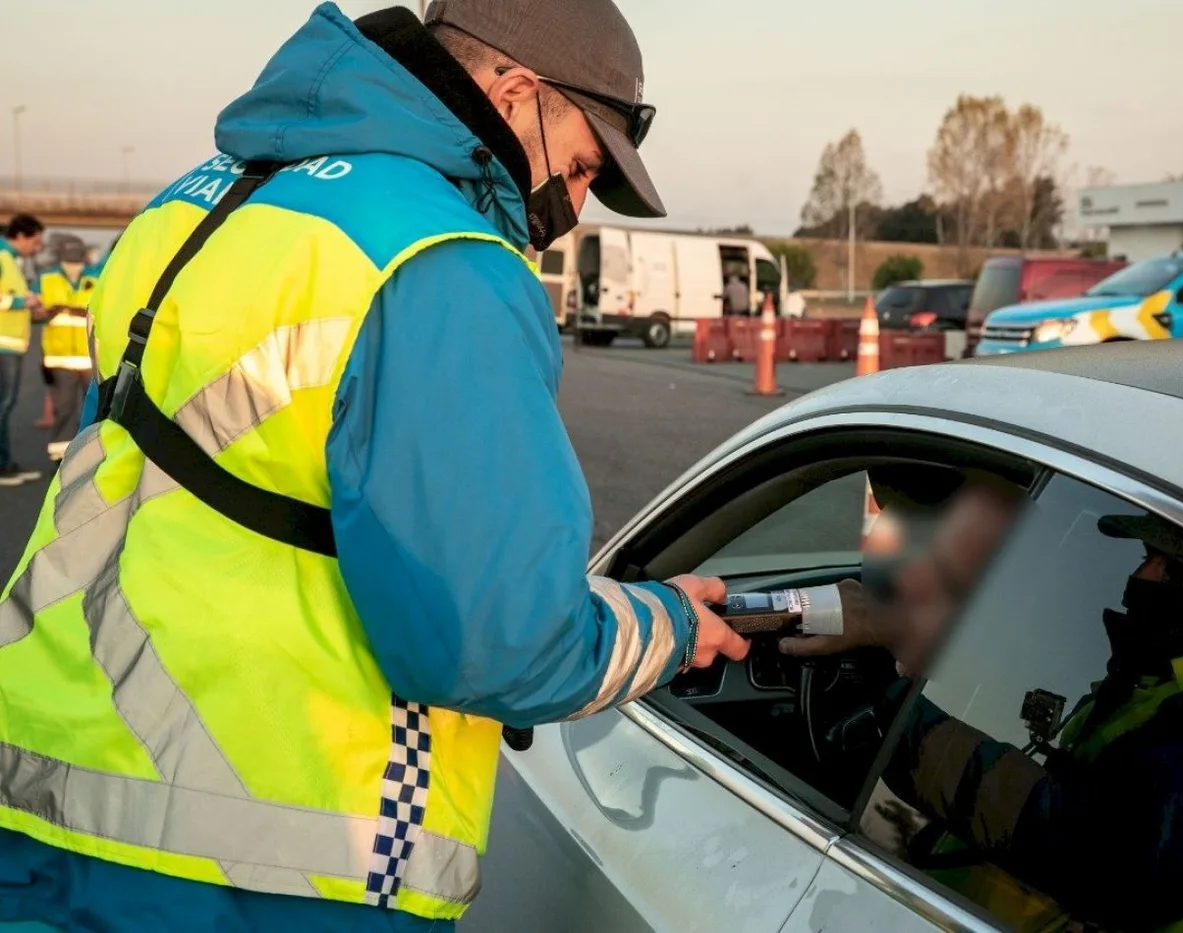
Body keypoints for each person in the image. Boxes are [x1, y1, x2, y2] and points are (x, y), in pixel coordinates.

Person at [0, 3, 747, 931]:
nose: (577, 200)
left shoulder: (189, 205)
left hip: (43, 794)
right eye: (585, 163)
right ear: (518, 96)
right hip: (268, 860)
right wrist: (668, 623)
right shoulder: (440, 261)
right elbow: (500, 642)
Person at [783, 490, 1183, 932]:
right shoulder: (1163, 690)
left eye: (1177, 574)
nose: (1143, 579)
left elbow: (1092, 852)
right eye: (1148, 559)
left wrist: (895, 716)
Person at [36, 238, 98, 464]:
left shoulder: (96, 280)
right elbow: (37, 312)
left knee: (95, 410)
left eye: (77, 261)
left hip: (89, 359)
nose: (74, 265)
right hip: (59, 359)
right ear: (61, 260)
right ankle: (59, 459)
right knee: (64, 412)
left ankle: (90, 457)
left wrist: (65, 309)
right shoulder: (47, 280)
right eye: (70, 261)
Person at [0, 213, 45, 487]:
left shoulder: (11, 261)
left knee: (5, 407)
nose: (37, 249)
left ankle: (6, 463)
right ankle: (3, 467)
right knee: (3, 407)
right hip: (3, 345)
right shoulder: (2, 259)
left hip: (10, 345)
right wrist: (22, 302)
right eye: (36, 242)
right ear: (20, 236)